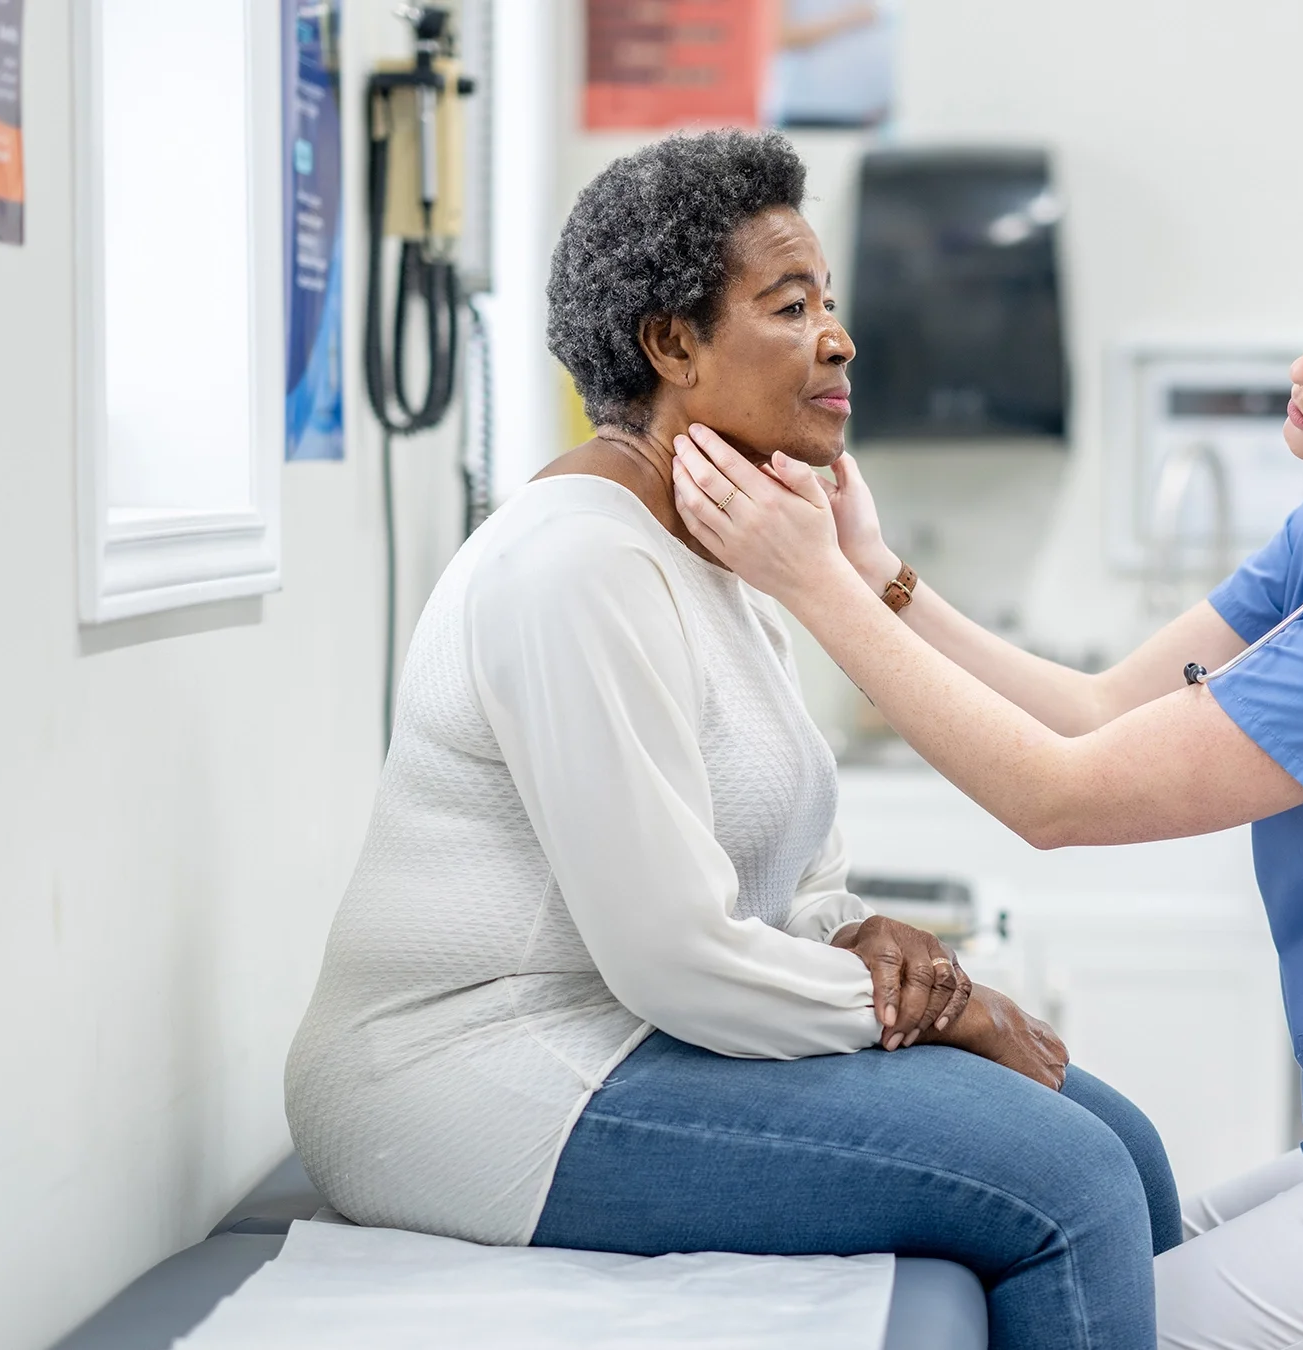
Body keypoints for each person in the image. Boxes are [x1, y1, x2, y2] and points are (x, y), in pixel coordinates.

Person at [671, 205, 1303, 1348]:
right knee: (1105, 1262)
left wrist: (811, 586)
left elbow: (1058, 798)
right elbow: (1096, 708)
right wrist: (875, 573)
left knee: (1106, 1323)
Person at [283, 131, 1176, 1350]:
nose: (840, 339)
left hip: (629, 1036)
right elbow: (675, 955)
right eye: (791, 304)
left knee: (1120, 1138)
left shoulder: (727, 554)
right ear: (672, 344)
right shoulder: (576, 567)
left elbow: (788, 876)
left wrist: (861, 938)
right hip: (469, 1085)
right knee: (1068, 1184)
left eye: (832, 302)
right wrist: (942, 1006)